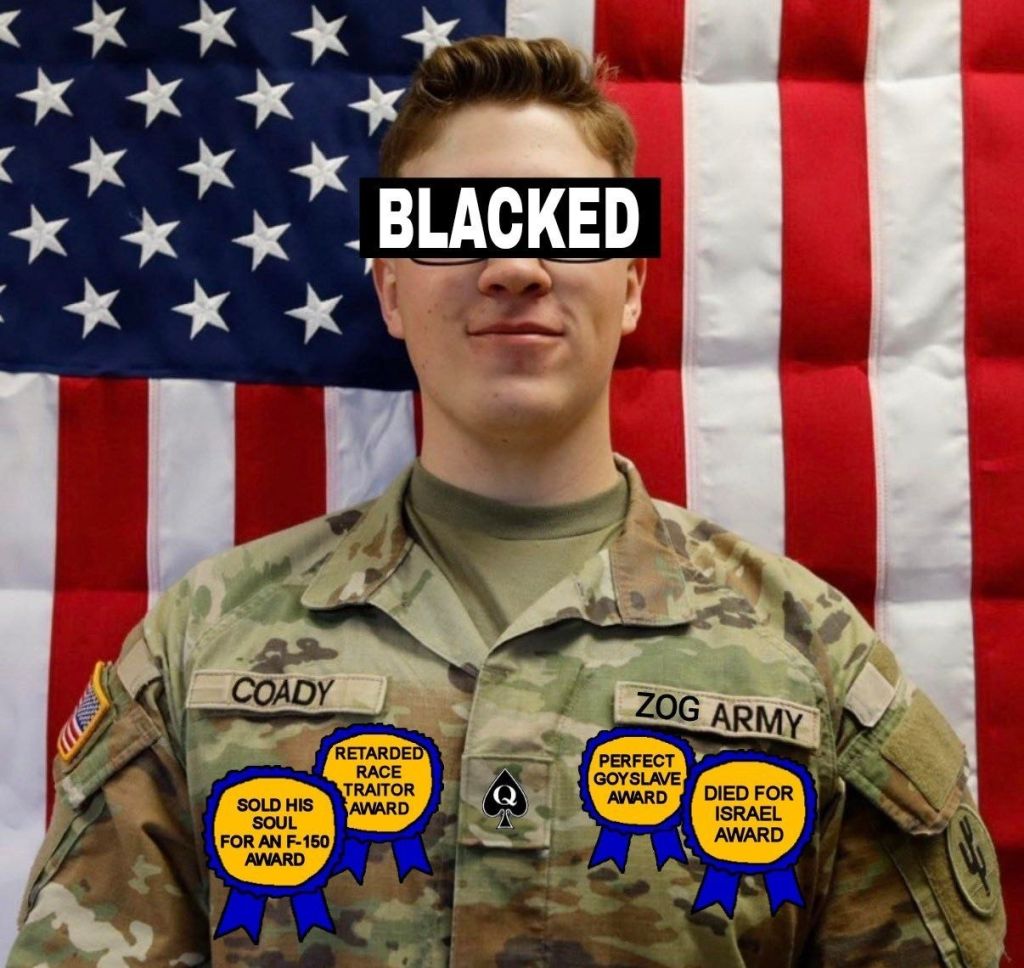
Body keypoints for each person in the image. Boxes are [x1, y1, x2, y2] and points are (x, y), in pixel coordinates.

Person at [8, 35, 1006, 968]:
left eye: (567, 224)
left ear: (631, 283)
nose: (515, 268)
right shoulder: (202, 645)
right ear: (390, 287)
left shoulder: (812, 662)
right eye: (456, 224)